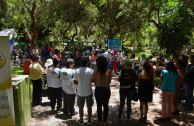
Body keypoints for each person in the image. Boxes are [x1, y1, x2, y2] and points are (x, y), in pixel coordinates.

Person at [74, 57, 94, 125]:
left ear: (80, 63)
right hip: (88, 91)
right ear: (87, 63)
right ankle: (89, 120)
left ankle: (81, 120)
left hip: (80, 92)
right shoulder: (91, 70)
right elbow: (93, 80)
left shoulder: (77, 71)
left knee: (80, 107)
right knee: (89, 107)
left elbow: (76, 81)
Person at [94, 56, 112, 125]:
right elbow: (109, 81)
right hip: (106, 89)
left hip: (98, 89)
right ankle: (105, 121)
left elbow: (95, 82)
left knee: (99, 106)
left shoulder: (96, 72)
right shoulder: (109, 71)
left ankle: (99, 121)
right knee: (106, 105)